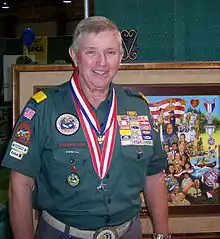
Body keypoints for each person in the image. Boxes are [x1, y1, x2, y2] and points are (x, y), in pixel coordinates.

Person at [1, 16, 171, 239]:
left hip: (128, 232)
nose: (102, 62)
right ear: (74, 55)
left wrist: (162, 235)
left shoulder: (137, 107)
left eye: (110, 52)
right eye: (91, 52)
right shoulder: (43, 108)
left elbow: (153, 176)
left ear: (120, 57)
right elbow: (20, 184)